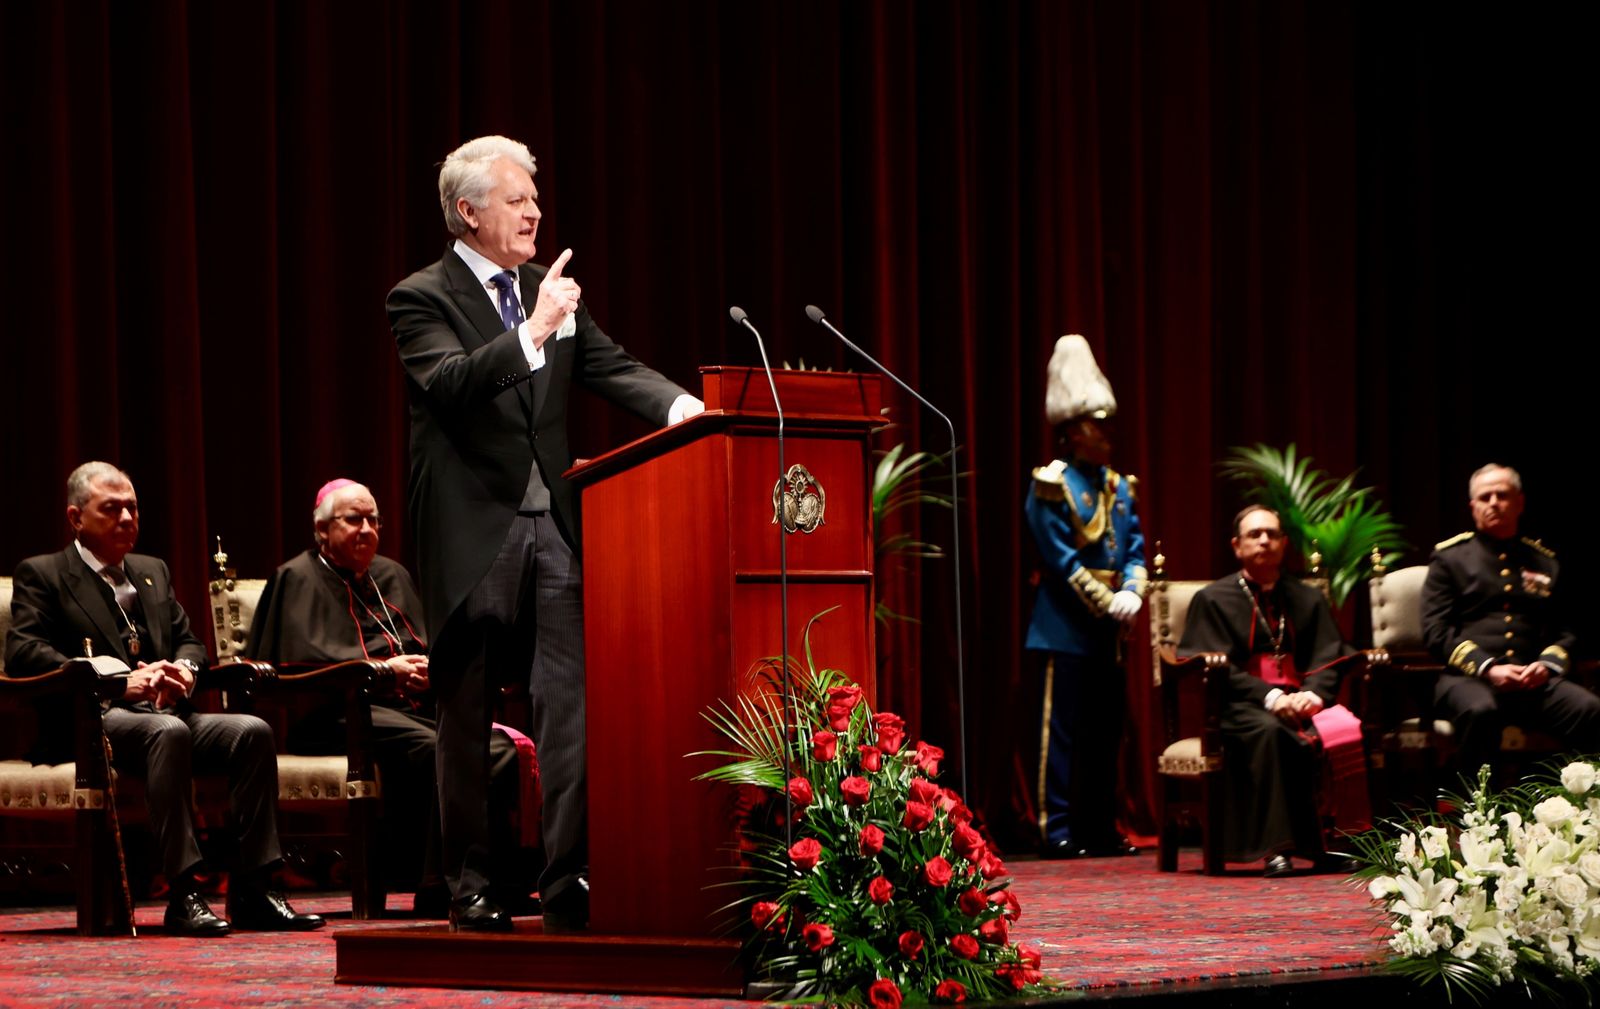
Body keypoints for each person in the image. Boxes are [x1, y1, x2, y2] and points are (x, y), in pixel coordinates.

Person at [387, 135, 702, 932]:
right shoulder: (420, 297)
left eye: (534, 198)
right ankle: (472, 883)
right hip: (473, 530)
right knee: (465, 714)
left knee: (569, 705)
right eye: (517, 199)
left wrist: (687, 411)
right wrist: (533, 331)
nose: (534, 212)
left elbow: (611, 367)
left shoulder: (548, 292)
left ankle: (569, 878)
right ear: (469, 212)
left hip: (557, 525)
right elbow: (451, 382)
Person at [3, 462, 324, 935]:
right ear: (75, 518)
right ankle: (184, 891)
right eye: (111, 509)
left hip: (162, 711)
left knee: (251, 732)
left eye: (132, 508)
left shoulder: (152, 571)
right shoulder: (44, 574)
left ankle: (255, 890)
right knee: (167, 731)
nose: (126, 518)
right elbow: (25, 652)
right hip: (92, 721)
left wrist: (184, 672)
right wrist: (117, 679)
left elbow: (189, 641)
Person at [245, 479, 526, 914]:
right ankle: (436, 883)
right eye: (353, 519)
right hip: (335, 716)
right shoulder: (295, 577)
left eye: (373, 520)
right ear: (322, 530)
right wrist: (384, 673)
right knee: (439, 749)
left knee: (496, 747)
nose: (366, 529)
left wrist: (428, 671)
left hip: (407, 711)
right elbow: (285, 669)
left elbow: (426, 642)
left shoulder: (392, 575)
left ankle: (494, 878)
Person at [1177, 505, 1368, 877]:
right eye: (1255, 534)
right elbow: (1213, 665)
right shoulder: (1212, 599)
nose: (1264, 540)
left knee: (1345, 731)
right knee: (1272, 732)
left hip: (1303, 700)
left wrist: (1313, 695)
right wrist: (1270, 697)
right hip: (1241, 705)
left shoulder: (1307, 597)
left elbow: (1330, 654)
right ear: (1237, 546)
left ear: (1284, 544)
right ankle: (1276, 848)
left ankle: (1340, 842)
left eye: (1272, 534)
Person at [1024, 335, 1146, 859]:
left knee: (1106, 732)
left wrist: (1134, 592)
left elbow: (1134, 548)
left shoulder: (1120, 487)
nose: (1108, 432)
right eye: (1098, 424)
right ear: (1072, 431)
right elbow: (1061, 559)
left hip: (1110, 630)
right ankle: (1056, 828)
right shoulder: (1052, 485)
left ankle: (1100, 826)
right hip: (1065, 626)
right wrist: (1107, 601)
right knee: (1062, 735)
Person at [1422, 463, 1600, 777]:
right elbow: (1436, 631)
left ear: (1519, 503)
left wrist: (1547, 665)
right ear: (1473, 507)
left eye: (1502, 495)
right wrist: (1488, 667)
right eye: (1485, 497)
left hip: (1532, 680)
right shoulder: (1450, 558)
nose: (1493, 503)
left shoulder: (1544, 561)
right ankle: (1476, 805)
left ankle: (1576, 802)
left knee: (1589, 709)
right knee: (1481, 711)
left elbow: (1567, 631)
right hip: (1469, 680)